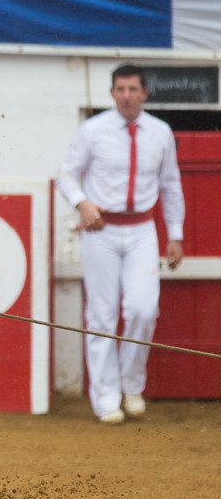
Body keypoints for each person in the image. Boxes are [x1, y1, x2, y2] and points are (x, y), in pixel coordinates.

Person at [56, 65, 186, 425]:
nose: (126, 95)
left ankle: (132, 385)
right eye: (119, 89)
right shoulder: (93, 130)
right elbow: (65, 174)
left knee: (144, 309)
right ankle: (106, 398)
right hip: (102, 231)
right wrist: (83, 202)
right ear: (111, 93)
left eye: (132, 89)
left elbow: (171, 185)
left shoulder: (160, 133)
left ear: (145, 92)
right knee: (101, 313)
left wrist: (175, 233)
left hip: (143, 229)